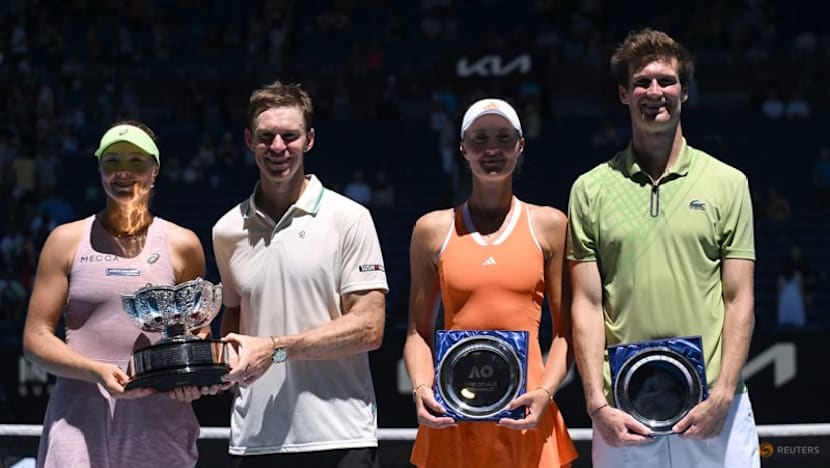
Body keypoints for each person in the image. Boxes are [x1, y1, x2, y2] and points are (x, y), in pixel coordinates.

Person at [567, 29, 760, 467]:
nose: (655, 92)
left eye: (666, 81)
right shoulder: (590, 189)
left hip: (714, 411)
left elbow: (739, 297)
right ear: (623, 94)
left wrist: (725, 393)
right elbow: (586, 302)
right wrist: (597, 405)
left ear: (684, 92)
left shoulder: (728, 184)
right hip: (624, 415)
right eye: (642, 82)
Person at [212, 81, 388, 468]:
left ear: (308, 140)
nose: (278, 147)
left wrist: (277, 348)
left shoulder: (350, 218)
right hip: (255, 440)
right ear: (248, 140)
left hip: (340, 437)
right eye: (266, 137)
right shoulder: (226, 230)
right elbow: (234, 316)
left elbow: (369, 327)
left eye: (289, 136)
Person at [22, 121, 212, 467]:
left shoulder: (183, 245)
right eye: (112, 161)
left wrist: (191, 377)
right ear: (99, 169)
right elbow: (35, 339)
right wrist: (96, 371)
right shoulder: (65, 240)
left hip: (160, 426)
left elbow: (197, 329)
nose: (123, 172)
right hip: (77, 424)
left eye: (137, 161)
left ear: (155, 171)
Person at [404, 98, 577, 468]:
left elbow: (565, 333)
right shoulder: (431, 231)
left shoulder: (549, 226)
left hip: (527, 417)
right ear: (463, 148)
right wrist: (421, 389)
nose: (492, 150)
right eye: (480, 140)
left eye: (503, 138)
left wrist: (545, 392)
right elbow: (417, 332)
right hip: (454, 418)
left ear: (520, 146)